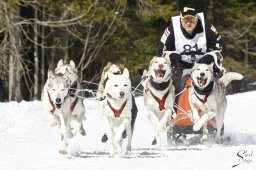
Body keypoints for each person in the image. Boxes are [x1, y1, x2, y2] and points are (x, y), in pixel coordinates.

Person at [157, 3, 226, 102]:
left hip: (203, 65)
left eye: (192, 20)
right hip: (181, 65)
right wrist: (170, 56)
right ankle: (177, 110)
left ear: (197, 19)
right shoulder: (172, 29)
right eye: (185, 20)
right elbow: (160, 51)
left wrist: (211, 56)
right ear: (181, 19)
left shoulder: (207, 27)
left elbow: (222, 48)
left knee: (209, 83)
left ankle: (211, 107)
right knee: (178, 84)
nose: (188, 23)